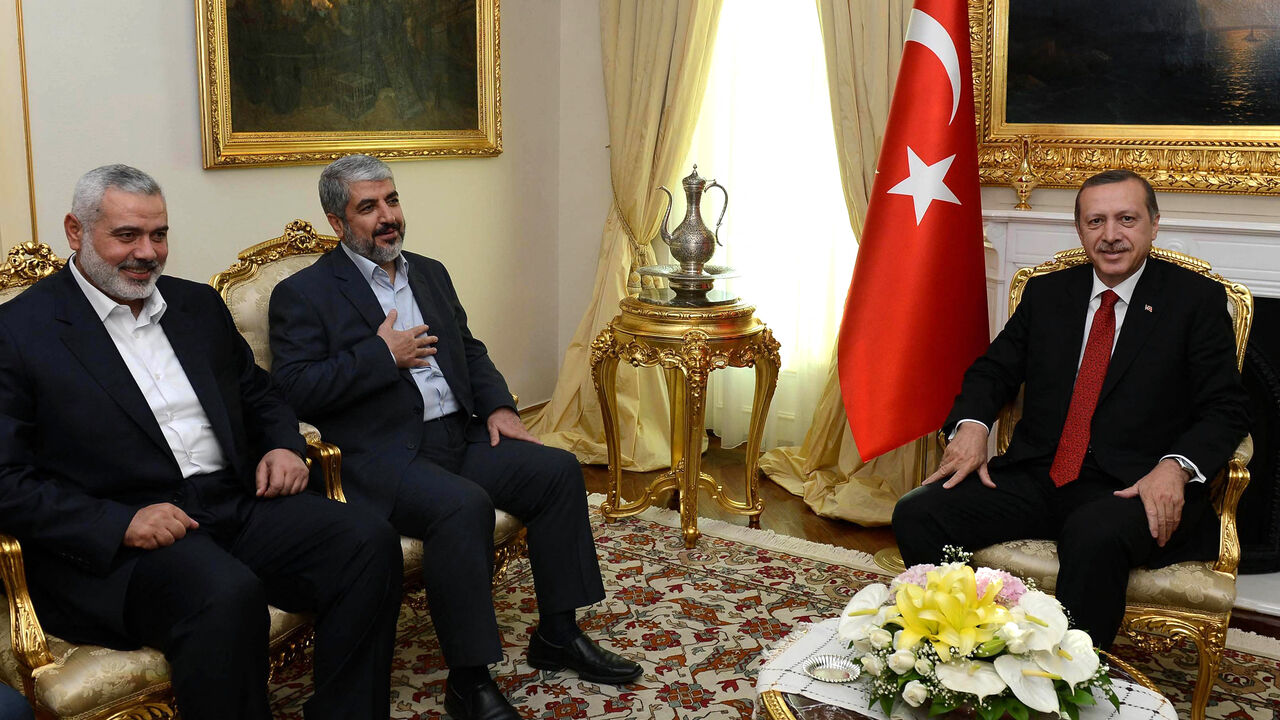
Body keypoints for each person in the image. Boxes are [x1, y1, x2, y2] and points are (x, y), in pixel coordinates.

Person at [0, 165, 403, 720]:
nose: (148, 253)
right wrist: (119, 523)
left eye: (159, 234)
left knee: (366, 540)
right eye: (127, 236)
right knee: (224, 594)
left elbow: (260, 395)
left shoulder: (196, 306)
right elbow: (6, 481)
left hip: (231, 502)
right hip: (123, 542)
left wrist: (282, 445)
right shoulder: (19, 332)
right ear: (75, 231)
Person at [268, 154, 641, 720]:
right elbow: (292, 390)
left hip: (457, 437)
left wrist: (499, 407)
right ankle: (469, 680)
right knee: (462, 507)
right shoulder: (304, 293)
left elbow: (468, 348)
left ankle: (559, 634)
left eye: (391, 200)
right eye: (367, 207)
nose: (386, 216)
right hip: (383, 457)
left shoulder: (429, 271)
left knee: (557, 470)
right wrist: (380, 357)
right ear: (336, 222)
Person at [892, 169, 1249, 648]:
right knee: (918, 512)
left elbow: (1225, 408)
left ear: (1153, 224)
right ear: (1080, 230)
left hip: (1131, 485)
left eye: (1127, 219)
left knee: (1093, 532)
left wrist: (1176, 467)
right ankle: (957, 646)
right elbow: (992, 371)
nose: (1111, 235)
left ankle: (1073, 678)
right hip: (1040, 473)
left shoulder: (1194, 301)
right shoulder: (1049, 294)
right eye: (1095, 221)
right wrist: (973, 426)